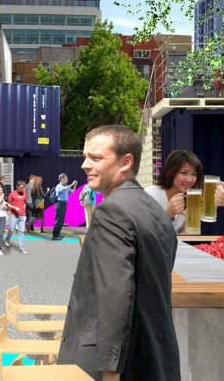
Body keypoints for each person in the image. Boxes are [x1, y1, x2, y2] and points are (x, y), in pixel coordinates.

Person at [58, 124, 179, 381]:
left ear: (126, 162)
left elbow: (115, 294)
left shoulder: (112, 212)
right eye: (85, 157)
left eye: (96, 158)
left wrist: (110, 371)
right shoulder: (155, 210)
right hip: (154, 357)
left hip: (113, 367)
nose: (85, 165)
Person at [144, 149, 204, 233]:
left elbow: (185, 238)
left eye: (194, 174)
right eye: (184, 173)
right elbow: (144, 233)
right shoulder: (152, 194)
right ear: (171, 172)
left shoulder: (191, 199)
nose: (190, 180)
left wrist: (190, 222)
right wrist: (169, 213)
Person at [52, 173, 79, 241]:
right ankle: (54, 236)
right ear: (61, 179)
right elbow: (65, 189)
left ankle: (58, 234)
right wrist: (72, 184)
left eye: (67, 178)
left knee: (61, 220)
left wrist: (75, 185)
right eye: (66, 178)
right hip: (59, 203)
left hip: (64, 203)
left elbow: (72, 192)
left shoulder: (66, 186)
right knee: (58, 220)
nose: (67, 179)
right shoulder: (59, 186)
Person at [5, 181, 28, 254]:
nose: (22, 189)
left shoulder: (24, 193)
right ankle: (7, 239)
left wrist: (24, 210)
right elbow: (8, 204)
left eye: (23, 188)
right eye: (21, 188)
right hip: (14, 215)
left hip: (22, 216)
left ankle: (21, 248)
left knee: (21, 232)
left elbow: (24, 202)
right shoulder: (12, 194)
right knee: (11, 229)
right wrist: (14, 208)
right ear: (17, 187)